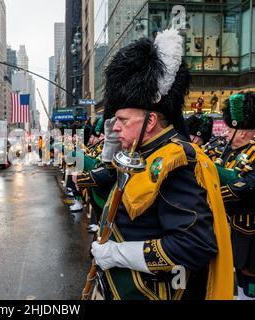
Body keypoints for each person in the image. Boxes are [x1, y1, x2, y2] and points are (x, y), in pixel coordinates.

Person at [88, 28, 233, 300]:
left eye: (123, 121)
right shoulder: (144, 150)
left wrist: (118, 254)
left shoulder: (175, 161)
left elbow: (194, 245)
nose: (115, 128)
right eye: (114, 121)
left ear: (150, 122)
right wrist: (110, 148)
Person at [206, 92, 255, 300]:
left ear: (243, 132)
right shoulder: (226, 150)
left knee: (248, 285)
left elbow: (244, 187)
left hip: (248, 236)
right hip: (226, 230)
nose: (226, 132)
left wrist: (211, 192)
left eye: (230, 128)